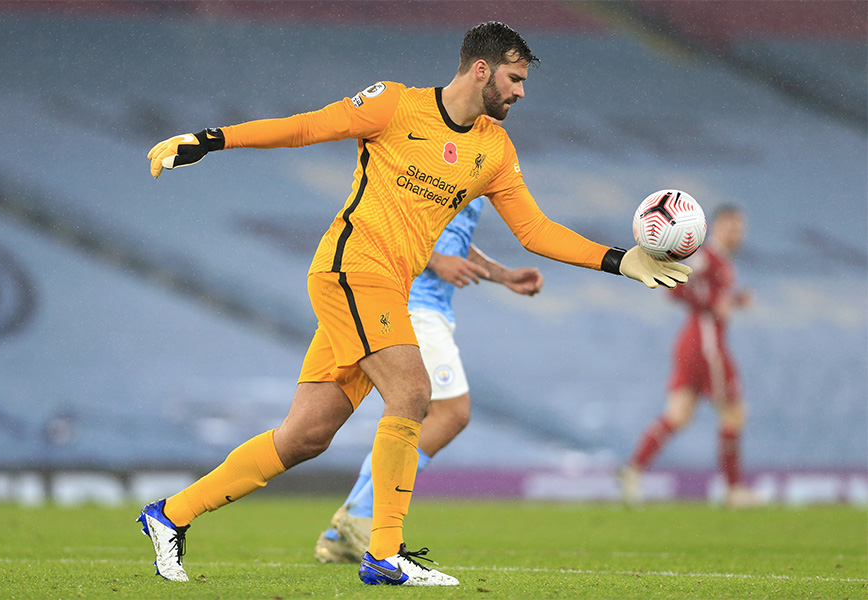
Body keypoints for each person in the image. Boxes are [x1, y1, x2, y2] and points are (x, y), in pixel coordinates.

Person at [142, 21, 691, 587]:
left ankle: (168, 516)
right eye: (514, 78)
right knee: (413, 392)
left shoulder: (493, 149)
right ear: (481, 70)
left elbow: (535, 230)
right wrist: (209, 140)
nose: (521, 92)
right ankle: (384, 553)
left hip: (383, 289)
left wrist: (620, 259)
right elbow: (306, 127)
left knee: (305, 436)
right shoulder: (392, 105)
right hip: (351, 269)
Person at [314, 196, 544, 563]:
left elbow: (446, 233)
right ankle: (359, 514)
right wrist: (436, 261)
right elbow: (391, 219)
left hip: (425, 304)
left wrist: (501, 275)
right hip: (410, 301)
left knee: (413, 416)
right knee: (450, 413)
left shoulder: (474, 155)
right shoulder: (433, 151)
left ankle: (345, 527)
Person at [619, 205, 753, 507]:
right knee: (733, 412)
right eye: (731, 227)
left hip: (693, 341)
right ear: (716, 227)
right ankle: (733, 491)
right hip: (707, 343)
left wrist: (733, 300)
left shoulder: (720, 262)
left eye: (740, 229)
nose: (737, 235)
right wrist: (712, 302)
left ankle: (632, 470)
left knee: (678, 415)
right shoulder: (708, 257)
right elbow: (674, 287)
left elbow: (711, 295)